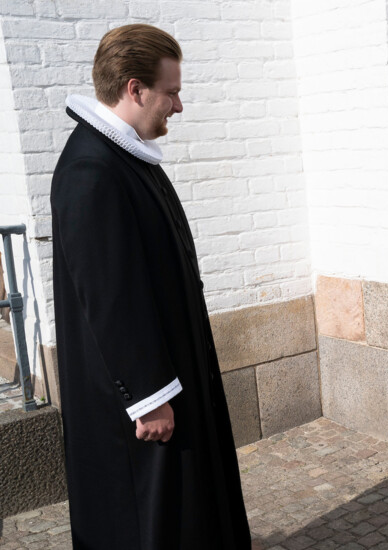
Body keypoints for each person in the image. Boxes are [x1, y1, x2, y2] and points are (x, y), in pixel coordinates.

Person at [51, 24, 251, 549]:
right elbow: (110, 297)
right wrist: (148, 397)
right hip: (140, 402)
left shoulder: (124, 156)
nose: (178, 106)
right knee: (150, 519)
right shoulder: (92, 171)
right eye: (172, 92)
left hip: (170, 373)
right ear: (135, 89)